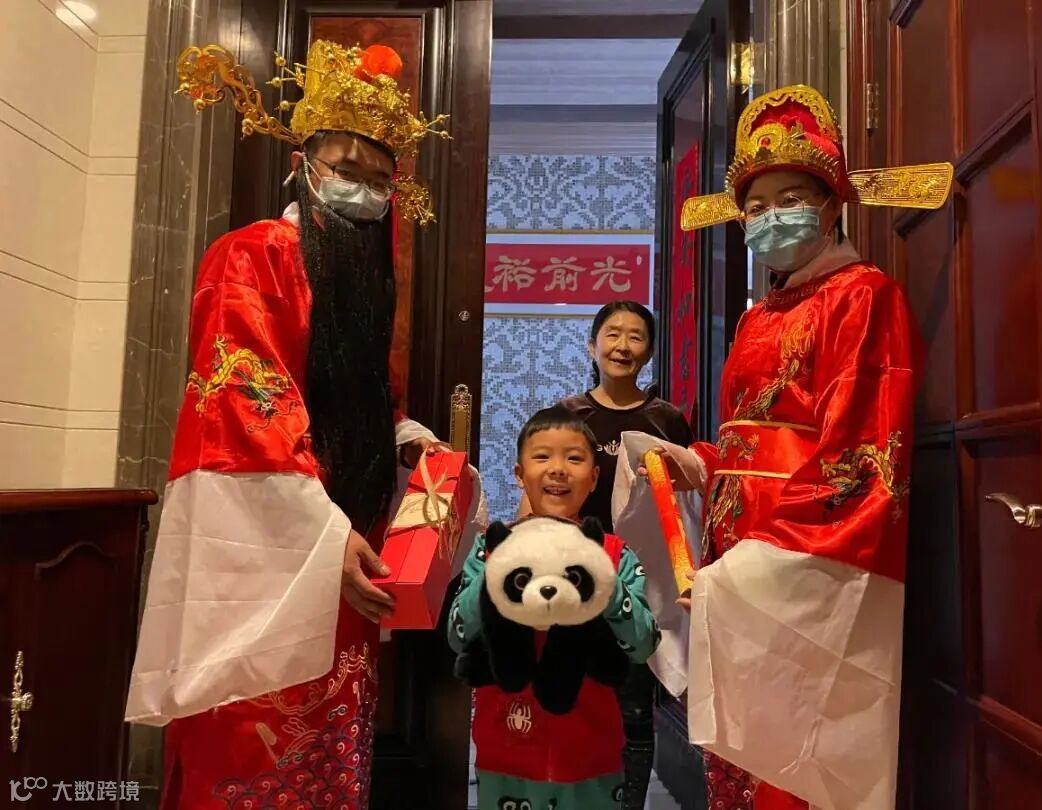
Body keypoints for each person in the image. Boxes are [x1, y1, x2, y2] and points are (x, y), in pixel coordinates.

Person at [124, 40, 484, 807]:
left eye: (381, 181)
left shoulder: (359, 275)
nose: (364, 192)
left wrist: (403, 439)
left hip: (340, 540)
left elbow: (350, 398)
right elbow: (246, 400)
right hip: (276, 544)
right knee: (253, 745)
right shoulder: (253, 255)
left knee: (330, 747)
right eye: (347, 169)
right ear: (303, 163)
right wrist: (324, 529)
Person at [613, 85, 953, 810]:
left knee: (797, 738)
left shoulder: (864, 296)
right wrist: (698, 463)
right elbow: (749, 432)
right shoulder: (758, 317)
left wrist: (762, 560)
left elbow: (861, 454)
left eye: (791, 198)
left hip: (803, 557)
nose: (771, 217)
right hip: (737, 548)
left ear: (832, 205)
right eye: (757, 205)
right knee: (739, 738)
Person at [519, 301, 691, 808]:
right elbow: (537, 493)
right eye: (612, 335)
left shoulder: (667, 420)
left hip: (640, 584)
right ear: (592, 345)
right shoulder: (567, 416)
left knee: (634, 709)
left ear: (650, 352)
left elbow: (685, 505)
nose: (622, 346)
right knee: (570, 700)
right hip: (572, 575)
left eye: (636, 337)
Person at [451, 406, 660, 809]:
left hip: (593, 760)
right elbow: (458, 634)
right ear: (519, 474)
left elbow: (643, 644)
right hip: (505, 753)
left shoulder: (614, 555)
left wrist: (598, 575)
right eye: (543, 456)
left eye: (574, 458)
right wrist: (500, 568)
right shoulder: (491, 549)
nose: (558, 469)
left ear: (594, 477)